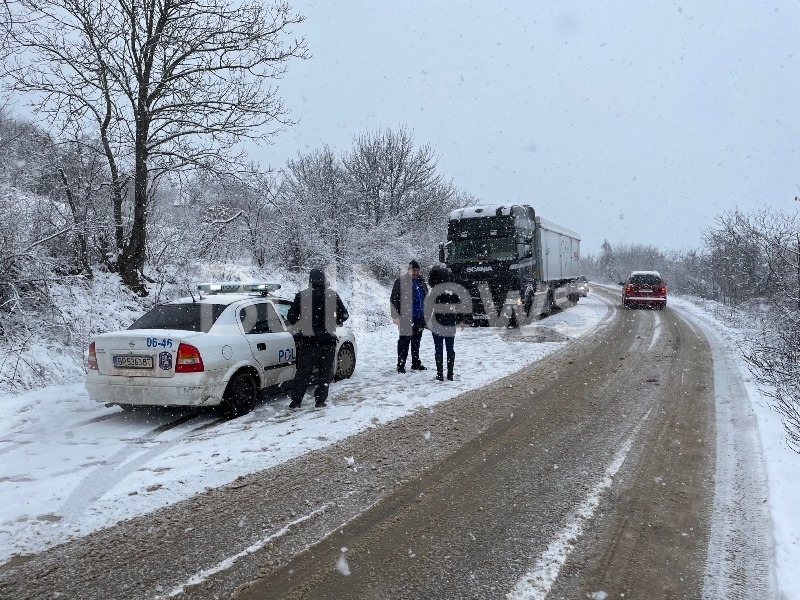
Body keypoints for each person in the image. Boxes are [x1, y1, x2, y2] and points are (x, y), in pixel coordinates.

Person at [286, 268, 349, 409]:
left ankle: (296, 402)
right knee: (324, 374)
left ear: (310, 280)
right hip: (328, 342)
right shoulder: (332, 295)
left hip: (308, 342)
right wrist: (336, 321)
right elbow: (345, 314)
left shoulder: (301, 296)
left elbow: (290, 317)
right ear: (324, 279)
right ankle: (320, 401)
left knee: (303, 374)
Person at [425, 264, 466, 381]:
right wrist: (461, 320)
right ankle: (450, 374)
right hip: (450, 322)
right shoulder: (453, 291)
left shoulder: (434, 291)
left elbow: (428, 308)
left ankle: (439, 374)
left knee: (438, 349)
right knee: (450, 348)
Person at [390, 260, 428, 373]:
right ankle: (401, 365)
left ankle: (415, 363)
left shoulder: (421, 282)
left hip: (419, 318)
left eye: (417, 270)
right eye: (413, 270)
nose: (415, 272)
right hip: (406, 317)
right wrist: (395, 316)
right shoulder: (401, 282)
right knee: (404, 342)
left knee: (416, 342)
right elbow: (394, 299)